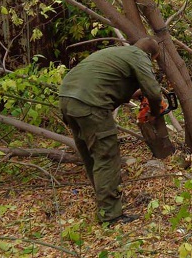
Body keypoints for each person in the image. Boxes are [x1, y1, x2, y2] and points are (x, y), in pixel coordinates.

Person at [59, 37, 164, 225]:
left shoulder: (115, 54)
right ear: (151, 55)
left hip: (68, 98)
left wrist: (135, 94)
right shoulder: (139, 56)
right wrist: (155, 112)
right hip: (91, 104)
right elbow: (155, 93)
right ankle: (111, 215)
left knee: (91, 154)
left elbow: (106, 84)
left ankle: (104, 201)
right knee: (106, 155)